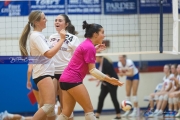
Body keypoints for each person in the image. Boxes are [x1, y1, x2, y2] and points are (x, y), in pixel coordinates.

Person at [57, 21, 124, 120]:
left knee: (66, 113)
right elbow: (93, 71)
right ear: (95, 34)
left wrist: (94, 50)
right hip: (72, 80)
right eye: (102, 32)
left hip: (64, 80)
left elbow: (83, 55)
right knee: (89, 111)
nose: (104, 36)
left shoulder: (87, 45)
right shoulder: (89, 47)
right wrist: (110, 80)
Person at [19, 10, 66, 120]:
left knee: (50, 112)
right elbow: (49, 54)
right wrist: (62, 39)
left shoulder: (39, 35)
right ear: (36, 22)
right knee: (49, 106)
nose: (46, 20)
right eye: (44, 18)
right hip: (43, 74)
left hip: (45, 73)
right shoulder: (36, 36)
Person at [48, 14, 80, 120]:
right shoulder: (52, 37)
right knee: (49, 105)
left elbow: (79, 57)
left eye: (60, 20)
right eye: (55, 20)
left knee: (65, 107)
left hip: (65, 73)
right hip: (52, 72)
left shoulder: (73, 39)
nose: (57, 22)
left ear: (66, 24)